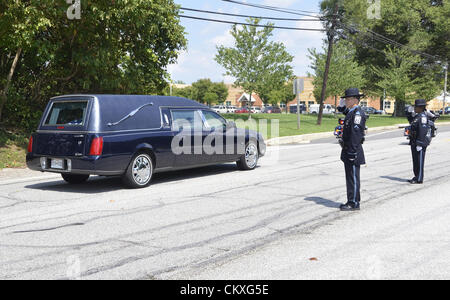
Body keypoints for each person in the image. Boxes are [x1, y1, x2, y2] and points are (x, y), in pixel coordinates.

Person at [339, 88, 367, 211]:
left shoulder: (357, 114)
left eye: (348, 99)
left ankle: (354, 202)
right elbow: (346, 114)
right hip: (348, 149)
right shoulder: (352, 112)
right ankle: (351, 200)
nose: (346, 101)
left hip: (353, 150)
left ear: (355, 100)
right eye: (345, 99)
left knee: (353, 177)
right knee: (350, 177)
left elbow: (356, 134)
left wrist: (352, 151)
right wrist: (341, 107)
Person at [408, 99, 431, 184]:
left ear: (421, 107)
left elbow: (422, 131)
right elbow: (412, 123)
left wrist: (420, 143)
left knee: (419, 161)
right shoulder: (418, 116)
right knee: (415, 161)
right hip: (414, 141)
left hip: (419, 142)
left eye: (416, 107)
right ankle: (416, 176)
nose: (414, 108)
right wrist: (409, 113)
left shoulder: (423, 117)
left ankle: (419, 178)